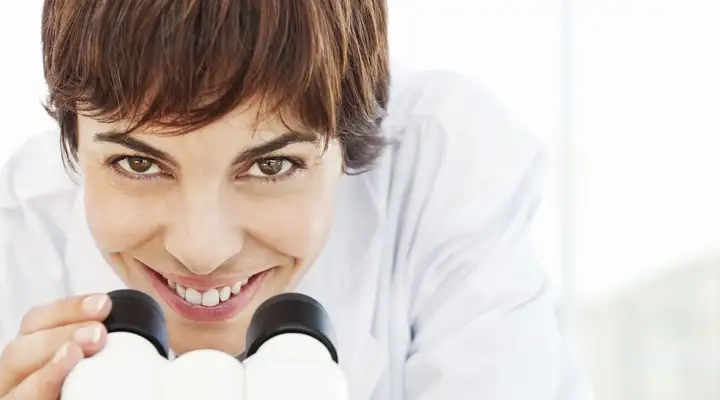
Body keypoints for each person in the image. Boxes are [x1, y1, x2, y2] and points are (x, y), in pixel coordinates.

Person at [0, 1, 591, 399]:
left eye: (271, 165)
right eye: (138, 163)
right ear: (72, 140)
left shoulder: (444, 166)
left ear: (349, 143)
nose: (201, 252)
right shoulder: (24, 225)